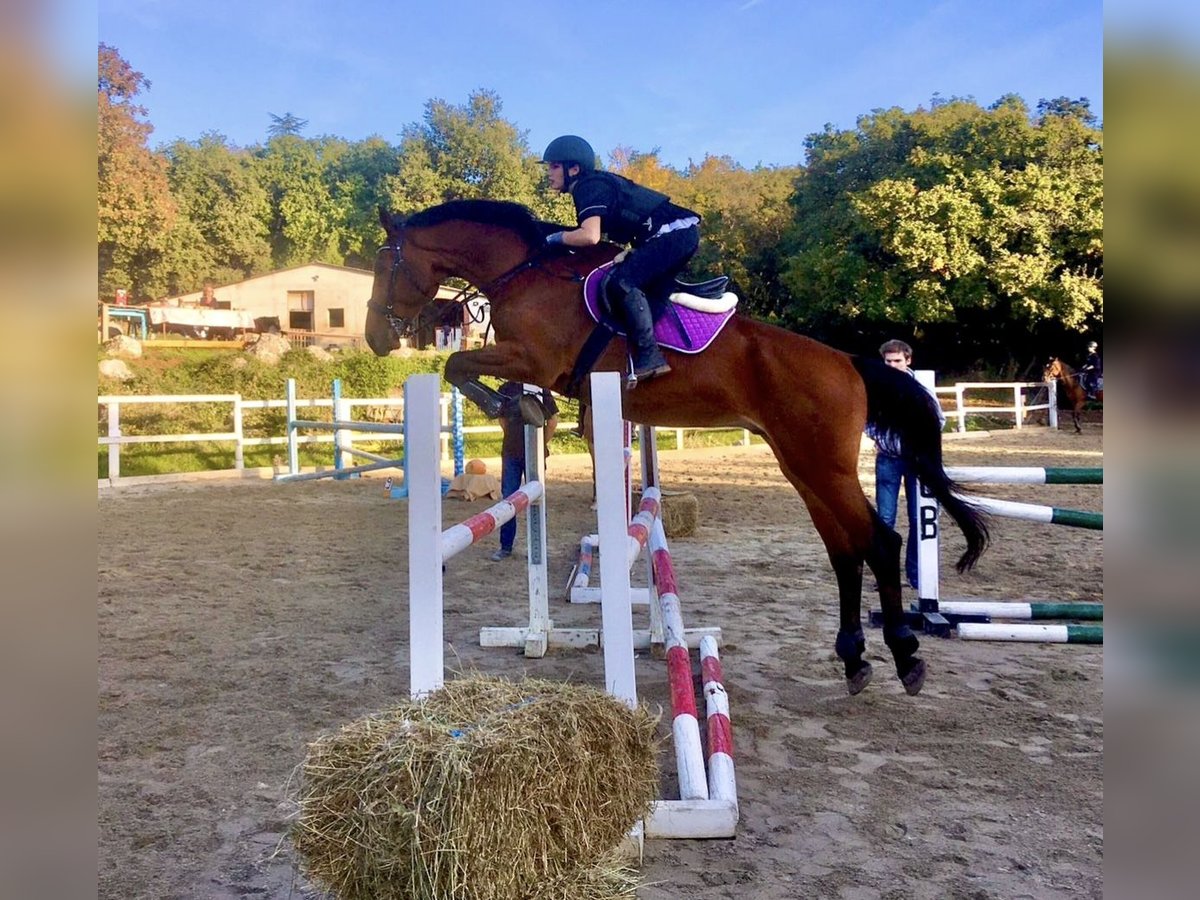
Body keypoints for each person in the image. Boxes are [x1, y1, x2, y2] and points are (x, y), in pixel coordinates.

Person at [540, 134, 702, 386]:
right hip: (676, 235)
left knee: (621, 282)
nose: (548, 173)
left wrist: (553, 238)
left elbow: (590, 237)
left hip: (673, 233)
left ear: (574, 168)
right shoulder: (593, 185)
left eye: (553, 166)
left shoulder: (587, 187)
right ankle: (652, 358)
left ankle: (650, 355)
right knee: (647, 291)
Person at [870, 340, 946, 590]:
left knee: (918, 518)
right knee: (885, 518)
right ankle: (884, 575)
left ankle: (915, 573)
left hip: (916, 460)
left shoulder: (922, 386)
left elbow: (939, 419)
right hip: (888, 458)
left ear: (908, 360)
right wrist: (880, 438)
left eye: (897, 361)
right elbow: (867, 420)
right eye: (888, 361)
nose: (892, 366)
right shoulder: (877, 385)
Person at [491, 381, 559, 561]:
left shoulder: (506, 388)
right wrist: (541, 443)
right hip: (531, 453)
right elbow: (552, 422)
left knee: (509, 498)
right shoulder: (540, 388)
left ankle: (506, 546)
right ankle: (539, 546)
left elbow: (502, 420)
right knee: (536, 498)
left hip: (511, 451)